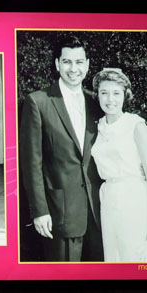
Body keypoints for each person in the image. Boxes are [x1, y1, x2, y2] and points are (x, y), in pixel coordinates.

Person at [19, 34, 104, 261]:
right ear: (57, 64)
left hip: (101, 214)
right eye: (67, 61)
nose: (73, 68)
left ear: (87, 65)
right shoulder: (38, 102)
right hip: (60, 213)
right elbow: (31, 163)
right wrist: (39, 211)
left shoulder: (98, 103)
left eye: (78, 62)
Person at [89, 68, 147, 261]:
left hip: (135, 200)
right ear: (97, 95)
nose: (110, 99)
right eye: (104, 93)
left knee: (136, 257)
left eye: (116, 93)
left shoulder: (136, 126)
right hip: (108, 200)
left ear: (125, 95)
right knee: (113, 258)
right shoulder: (97, 127)